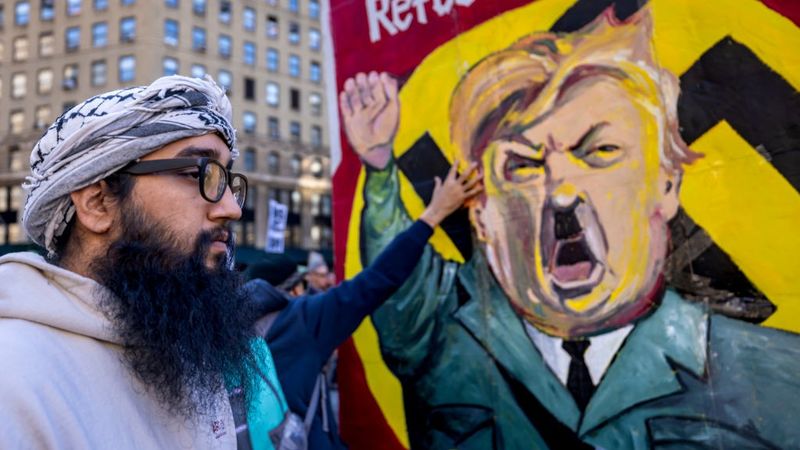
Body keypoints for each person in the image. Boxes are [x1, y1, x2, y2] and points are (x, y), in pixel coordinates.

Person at [340, 8, 800, 450]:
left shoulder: (776, 379)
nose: (560, 191)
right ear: (481, 215)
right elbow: (393, 278)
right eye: (522, 165)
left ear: (665, 184)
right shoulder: (441, 342)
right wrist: (380, 166)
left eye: (599, 151)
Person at [0, 76, 288, 449]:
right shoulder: (14, 379)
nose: (232, 208)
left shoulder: (183, 348)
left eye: (227, 181)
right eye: (198, 173)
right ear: (97, 203)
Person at [246, 163, 481, 450]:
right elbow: (377, 280)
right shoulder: (301, 320)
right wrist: (434, 214)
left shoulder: (219, 332)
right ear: (294, 289)